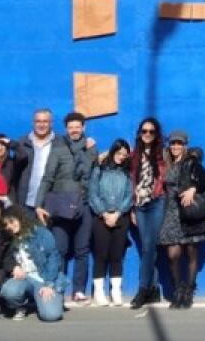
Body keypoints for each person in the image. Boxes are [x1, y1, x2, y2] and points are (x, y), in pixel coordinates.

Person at [35, 112, 97, 305]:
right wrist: (39, 204)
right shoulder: (59, 149)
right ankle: (58, 287)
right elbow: (47, 178)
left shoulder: (91, 149)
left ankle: (79, 290)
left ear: (83, 127)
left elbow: (93, 175)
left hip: (84, 205)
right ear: (66, 129)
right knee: (60, 249)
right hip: (61, 206)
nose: (74, 130)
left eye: (78, 126)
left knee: (82, 250)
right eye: (71, 127)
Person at [159, 130, 205, 310]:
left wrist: (193, 189)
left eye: (179, 143)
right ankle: (178, 289)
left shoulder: (191, 162)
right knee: (173, 255)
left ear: (185, 146)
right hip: (170, 213)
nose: (176, 146)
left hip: (188, 213)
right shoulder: (166, 162)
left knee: (191, 253)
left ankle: (189, 291)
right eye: (173, 143)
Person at [0, 207, 66, 322]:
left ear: (20, 218)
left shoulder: (40, 232)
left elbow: (53, 258)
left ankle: (53, 298)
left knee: (51, 315)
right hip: (24, 278)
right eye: (6, 225)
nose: (9, 226)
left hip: (43, 278)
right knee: (8, 291)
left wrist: (49, 284)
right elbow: (6, 258)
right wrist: (14, 267)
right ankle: (21, 305)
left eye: (12, 221)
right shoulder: (8, 238)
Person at [88, 140, 134, 306]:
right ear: (112, 151)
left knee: (116, 255)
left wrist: (118, 213)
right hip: (101, 217)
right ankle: (99, 292)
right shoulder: (99, 169)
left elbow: (130, 195)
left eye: (124, 154)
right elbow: (92, 193)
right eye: (118, 153)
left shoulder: (127, 173)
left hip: (121, 217)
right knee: (101, 255)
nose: (121, 157)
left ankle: (115, 291)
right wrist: (104, 213)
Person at [129, 117, 168, 309]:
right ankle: (153, 290)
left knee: (149, 247)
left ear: (156, 134)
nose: (147, 135)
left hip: (156, 203)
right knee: (147, 247)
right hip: (140, 206)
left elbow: (190, 154)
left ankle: (143, 289)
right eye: (144, 131)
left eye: (151, 132)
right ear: (139, 133)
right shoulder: (133, 154)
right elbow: (129, 179)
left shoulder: (163, 154)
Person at [12, 108, 56, 213]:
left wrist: (88, 144)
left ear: (51, 123)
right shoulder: (22, 143)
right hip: (27, 203)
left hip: (50, 204)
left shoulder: (60, 143)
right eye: (38, 121)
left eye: (45, 121)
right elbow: (14, 171)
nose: (41, 125)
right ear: (33, 123)